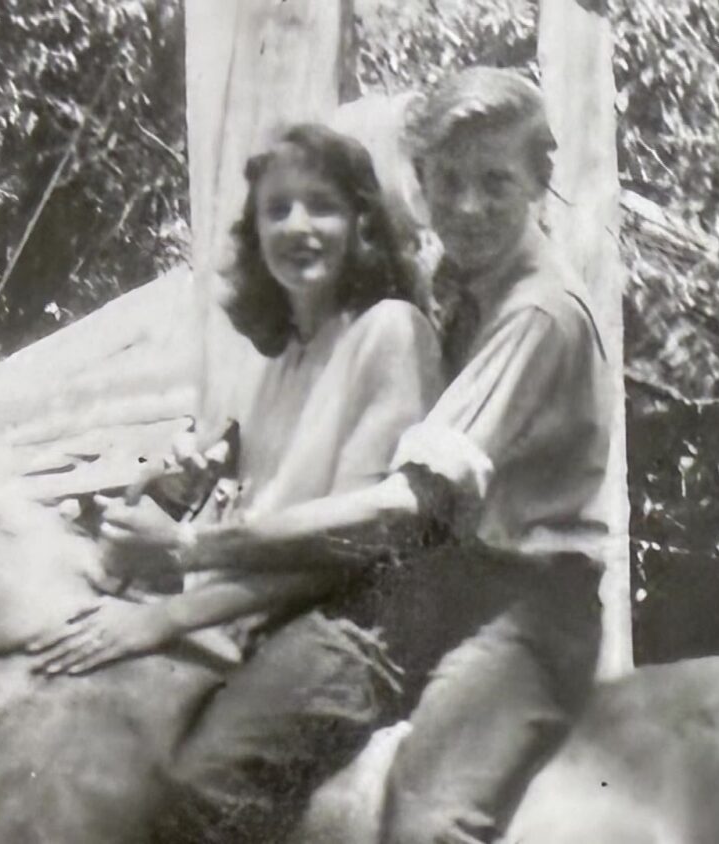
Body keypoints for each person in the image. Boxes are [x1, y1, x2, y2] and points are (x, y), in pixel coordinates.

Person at [100, 67, 612, 844]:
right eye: (447, 181)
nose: (467, 207)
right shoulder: (452, 284)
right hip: (434, 588)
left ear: (541, 180)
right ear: (421, 183)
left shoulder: (538, 314)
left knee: (423, 821)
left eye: (496, 182)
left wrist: (190, 548)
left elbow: (405, 509)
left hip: (524, 608)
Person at [28, 122, 444, 842]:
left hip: (351, 635)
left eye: (322, 206)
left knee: (199, 795)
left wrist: (164, 614)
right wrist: (156, 496)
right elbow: (224, 534)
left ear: (363, 223)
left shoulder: (391, 333)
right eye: (276, 209)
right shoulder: (272, 366)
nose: (298, 227)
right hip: (261, 627)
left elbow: (341, 555)